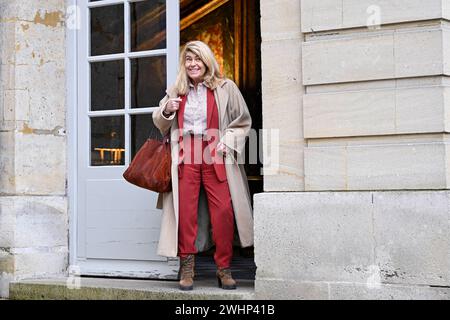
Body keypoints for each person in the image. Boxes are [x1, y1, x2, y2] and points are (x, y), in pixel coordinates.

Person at [152, 40, 254, 291]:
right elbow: (159, 121)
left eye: (197, 59)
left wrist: (227, 142)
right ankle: (187, 268)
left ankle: (224, 268)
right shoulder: (177, 89)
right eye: (188, 59)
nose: (193, 64)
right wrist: (167, 109)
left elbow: (243, 121)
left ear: (207, 61)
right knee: (185, 213)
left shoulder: (225, 87)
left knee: (223, 212)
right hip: (186, 154)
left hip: (215, 153)